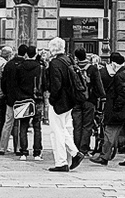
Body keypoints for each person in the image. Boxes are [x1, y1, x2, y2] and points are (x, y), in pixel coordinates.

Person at [46, 37, 84, 173]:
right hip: (70, 100)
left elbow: (56, 84)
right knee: (62, 129)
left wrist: (52, 99)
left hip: (60, 101)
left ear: (52, 48)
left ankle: (61, 161)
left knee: (57, 131)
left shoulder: (55, 63)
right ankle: (75, 153)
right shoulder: (69, 60)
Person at [93, 53, 125, 167]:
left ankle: (104, 156)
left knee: (110, 132)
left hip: (119, 111)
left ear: (113, 63)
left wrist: (116, 108)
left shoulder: (120, 75)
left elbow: (122, 93)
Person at [72, 48, 106, 157]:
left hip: (76, 100)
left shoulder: (73, 69)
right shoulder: (92, 68)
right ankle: (84, 149)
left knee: (77, 126)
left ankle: (76, 148)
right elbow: (98, 84)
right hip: (90, 100)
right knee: (87, 126)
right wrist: (102, 96)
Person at [18, 46, 45, 160]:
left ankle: (23, 152)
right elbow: (43, 83)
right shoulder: (39, 67)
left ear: (26, 55)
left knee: (23, 126)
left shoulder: (20, 67)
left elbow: (16, 83)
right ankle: (37, 152)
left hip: (23, 98)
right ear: (35, 54)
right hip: (37, 99)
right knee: (37, 126)